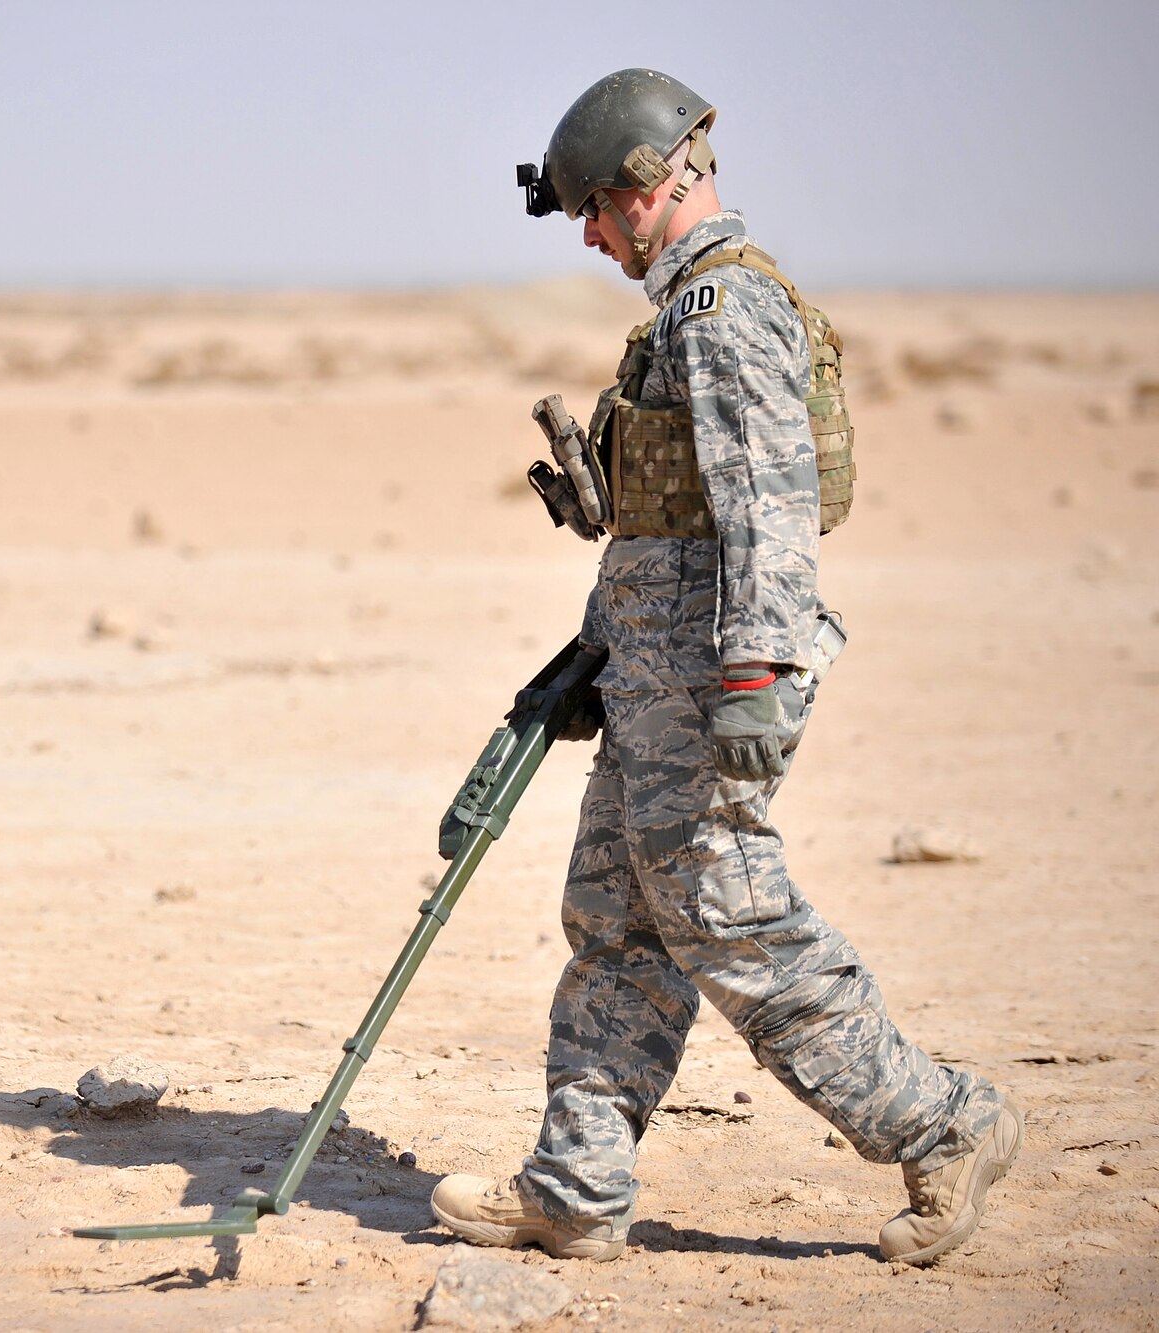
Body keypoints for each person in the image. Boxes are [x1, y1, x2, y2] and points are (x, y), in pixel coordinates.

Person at [428, 69, 1021, 1267]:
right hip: (652, 679)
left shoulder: (723, 313)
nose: (589, 235)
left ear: (650, 183)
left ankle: (946, 1122)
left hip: (711, 688)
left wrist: (750, 670)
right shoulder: (676, 312)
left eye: (594, 208)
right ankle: (575, 1187)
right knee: (612, 920)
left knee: (730, 920)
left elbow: (767, 507)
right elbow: (673, 523)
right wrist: (600, 657)